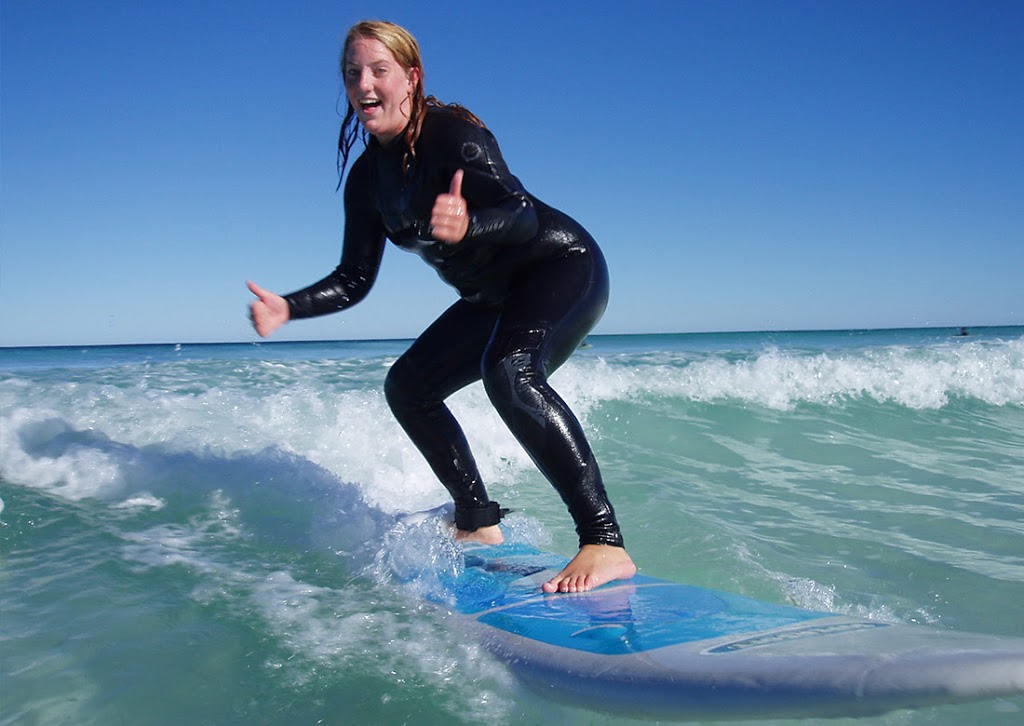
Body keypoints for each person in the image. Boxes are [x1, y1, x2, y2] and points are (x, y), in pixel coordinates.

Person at [248, 20, 636, 593]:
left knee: (508, 370)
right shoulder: (366, 180)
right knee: (408, 387)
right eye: (353, 73)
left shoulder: (454, 136)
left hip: (561, 266)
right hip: (491, 296)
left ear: (411, 77)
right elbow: (354, 278)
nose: (364, 84)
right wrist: (289, 306)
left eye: (379, 70)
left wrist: (471, 221)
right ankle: (476, 522)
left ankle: (604, 542)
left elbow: (522, 213)